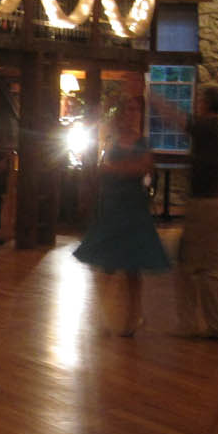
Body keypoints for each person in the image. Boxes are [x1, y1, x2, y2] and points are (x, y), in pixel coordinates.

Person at [73, 101, 169, 335]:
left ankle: (132, 316)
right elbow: (105, 167)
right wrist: (122, 168)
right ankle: (105, 316)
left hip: (132, 206)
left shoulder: (140, 142)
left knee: (132, 265)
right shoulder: (112, 140)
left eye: (132, 111)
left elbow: (143, 168)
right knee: (106, 262)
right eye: (126, 111)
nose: (128, 116)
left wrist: (119, 169)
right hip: (113, 205)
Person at [176, 86, 218, 340]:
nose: (197, 103)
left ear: (206, 105)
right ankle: (216, 325)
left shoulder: (206, 128)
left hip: (205, 204)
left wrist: (152, 97)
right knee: (211, 267)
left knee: (189, 266)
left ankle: (194, 324)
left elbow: (180, 120)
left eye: (200, 100)